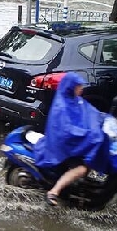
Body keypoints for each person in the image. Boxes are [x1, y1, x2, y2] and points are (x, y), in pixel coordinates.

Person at [33, 73, 108, 206]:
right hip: (63, 145)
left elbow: (91, 113)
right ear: (71, 87)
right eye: (78, 86)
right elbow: (67, 130)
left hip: (73, 142)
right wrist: (88, 134)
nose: (81, 89)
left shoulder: (76, 100)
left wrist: (105, 119)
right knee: (82, 169)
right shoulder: (61, 106)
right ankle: (54, 191)